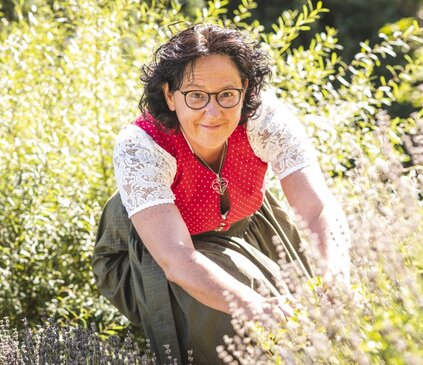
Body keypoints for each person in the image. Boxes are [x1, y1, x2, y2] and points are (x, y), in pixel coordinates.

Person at [92, 23, 350, 364]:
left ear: (245, 88)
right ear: (169, 95)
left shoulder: (265, 119)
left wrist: (333, 274)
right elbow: (178, 258)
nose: (213, 112)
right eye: (196, 95)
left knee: (319, 320)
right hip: (167, 244)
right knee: (244, 339)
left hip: (249, 223)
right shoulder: (141, 145)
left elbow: (316, 208)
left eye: (227, 94)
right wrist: (253, 306)